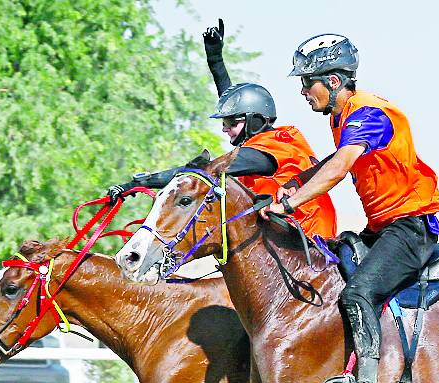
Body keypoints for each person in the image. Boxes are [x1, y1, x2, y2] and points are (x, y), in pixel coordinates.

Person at [263, 34, 439, 383]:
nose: (302, 91)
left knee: (357, 293)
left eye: (306, 82)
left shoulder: (367, 113)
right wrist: (294, 183)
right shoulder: (342, 117)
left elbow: (340, 165)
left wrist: (292, 202)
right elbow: (332, 159)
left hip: (411, 230)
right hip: (382, 229)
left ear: (332, 81)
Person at [106, 20, 336, 239]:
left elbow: (205, 172)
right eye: (224, 123)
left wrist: (141, 182)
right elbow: (234, 104)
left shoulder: (272, 149)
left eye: (230, 123)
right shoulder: (261, 141)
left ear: (253, 121)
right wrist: (215, 60)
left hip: (308, 241)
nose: (225, 129)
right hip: (288, 236)